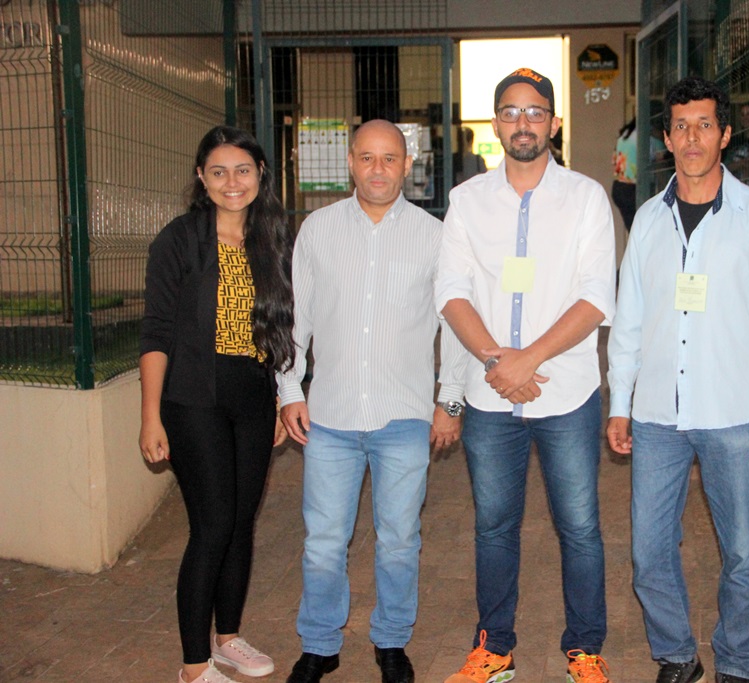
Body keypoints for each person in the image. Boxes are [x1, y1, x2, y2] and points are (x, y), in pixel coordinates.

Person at [607, 77, 749, 683]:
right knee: (647, 552)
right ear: (666, 138)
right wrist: (620, 402)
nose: (693, 138)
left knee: (742, 554)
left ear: (725, 135)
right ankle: (677, 656)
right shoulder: (647, 220)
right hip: (656, 416)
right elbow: (629, 319)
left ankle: (737, 664)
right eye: (681, 126)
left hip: (734, 413)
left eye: (705, 125)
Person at [437, 67, 617, 683]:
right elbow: (452, 292)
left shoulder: (586, 198)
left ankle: (585, 649)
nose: (523, 123)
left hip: (565, 395)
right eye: (511, 112)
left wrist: (528, 358)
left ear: (554, 123)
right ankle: (495, 649)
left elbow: (597, 296)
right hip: (491, 400)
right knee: (493, 528)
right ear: (496, 124)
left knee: (580, 528)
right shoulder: (467, 201)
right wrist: (497, 362)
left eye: (535, 112)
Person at [277, 119, 467, 683]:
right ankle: (320, 644)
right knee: (323, 543)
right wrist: (289, 390)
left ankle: (391, 641)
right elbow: (296, 320)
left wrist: (450, 402)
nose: (378, 169)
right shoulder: (318, 230)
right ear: (350, 163)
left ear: (408, 165)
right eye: (367, 158)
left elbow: (456, 326)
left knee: (400, 542)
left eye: (389, 159)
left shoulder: (435, 237)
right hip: (330, 417)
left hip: (403, 417)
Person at [140, 125, 295, 683]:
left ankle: (228, 638)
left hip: (251, 394)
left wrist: (279, 398)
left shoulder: (273, 239)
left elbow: (282, 329)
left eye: (243, 170)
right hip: (191, 398)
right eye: (219, 171)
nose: (233, 182)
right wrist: (150, 416)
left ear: (260, 175)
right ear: (201, 178)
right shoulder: (179, 239)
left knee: (241, 522)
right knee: (212, 525)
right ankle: (193, 665)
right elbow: (156, 332)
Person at [611, 117, 639, 231]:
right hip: (633, 188)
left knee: (633, 230)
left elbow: (614, 160)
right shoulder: (645, 136)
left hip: (619, 186)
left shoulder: (624, 135)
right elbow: (660, 155)